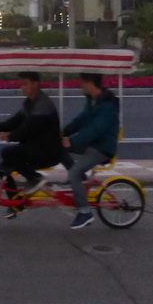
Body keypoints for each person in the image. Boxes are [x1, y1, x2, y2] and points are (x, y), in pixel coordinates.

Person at [0, 71, 62, 219]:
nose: (22, 87)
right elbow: (15, 121)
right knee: (3, 167)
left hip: (47, 151)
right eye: (21, 84)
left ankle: (35, 178)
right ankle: (16, 204)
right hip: (35, 147)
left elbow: (27, 129)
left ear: (35, 84)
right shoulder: (30, 102)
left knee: (8, 152)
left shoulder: (43, 105)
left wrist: (9, 136)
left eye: (25, 83)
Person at [61, 73, 120, 230]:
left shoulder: (107, 106)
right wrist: (63, 133)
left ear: (92, 84)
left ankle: (85, 213)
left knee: (73, 174)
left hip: (102, 148)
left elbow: (94, 131)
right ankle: (78, 181)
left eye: (83, 83)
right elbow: (80, 120)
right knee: (59, 148)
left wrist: (71, 141)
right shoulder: (92, 101)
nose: (81, 85)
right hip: (91, 144)